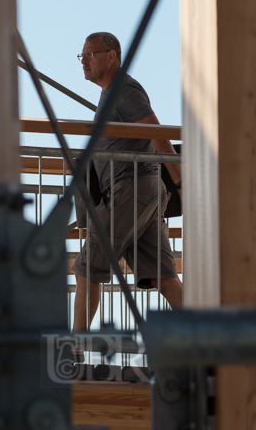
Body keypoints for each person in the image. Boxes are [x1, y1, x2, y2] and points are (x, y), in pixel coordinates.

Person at [70, 32, 183, 330]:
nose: (84, 60)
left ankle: (74, 354)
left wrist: (181, 182)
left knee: (86, 268)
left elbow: (156, 132)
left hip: (131, 188)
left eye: (90, 54)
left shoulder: (123, 90)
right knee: (164, 277)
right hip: (141, 191)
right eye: (81, 55)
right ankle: (210, 343)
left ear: (111, 56)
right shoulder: (111, 93)